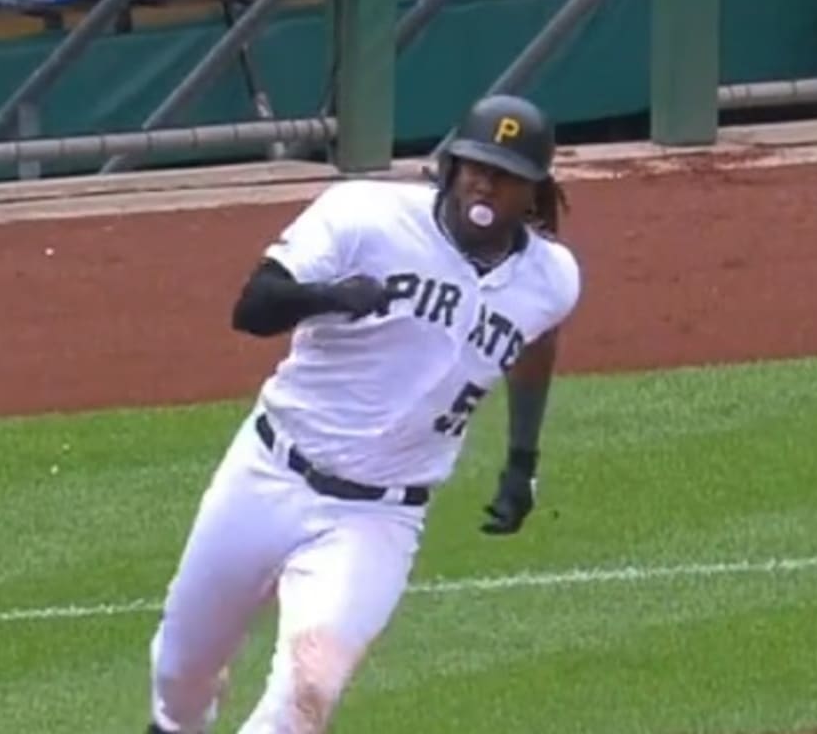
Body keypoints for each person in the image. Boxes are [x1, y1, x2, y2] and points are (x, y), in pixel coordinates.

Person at [144, 94, 583, 733]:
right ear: (451, 164)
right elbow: (253, 306)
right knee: (182, 671)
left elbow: (537, 342)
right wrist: (334, 296)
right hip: (268, 473)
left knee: (307, 693)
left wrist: (522, 461)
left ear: (535, 190)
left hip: (377, 516)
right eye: (474, 165)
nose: (483, 183)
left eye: (504, 174)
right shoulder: (365, 215)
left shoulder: (552, 279)